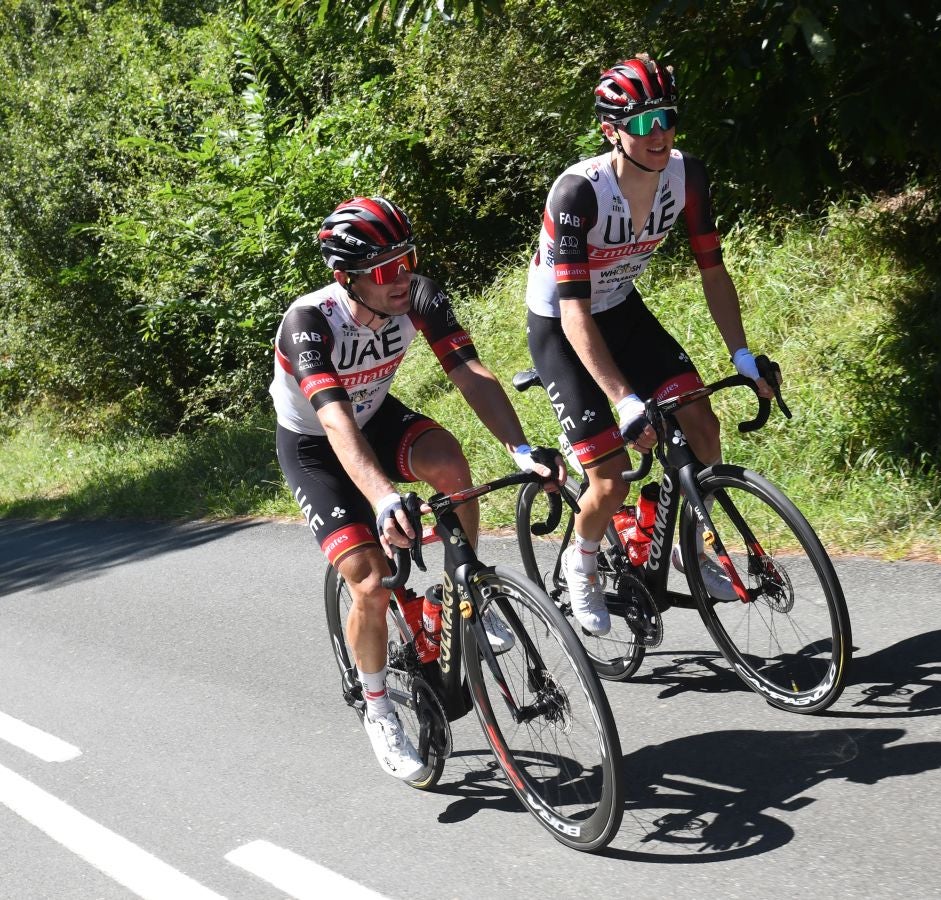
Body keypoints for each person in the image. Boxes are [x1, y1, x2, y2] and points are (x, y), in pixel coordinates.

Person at [272, 195, 563, 780]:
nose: (400, 277)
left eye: (406, 259)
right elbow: (333, 422)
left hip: (376, 416)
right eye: (383, 270)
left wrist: (522, 448)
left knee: (452, 464)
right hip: (316, 444)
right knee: (373, 582)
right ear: (346, 278)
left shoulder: (419, 296)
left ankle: (466, 588)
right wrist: (382, 497)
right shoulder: (310, 323)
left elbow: (469, 373)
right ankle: (378, 706)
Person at [524, 54, 778, 636]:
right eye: (643, 123)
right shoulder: (578, 195)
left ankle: (690, 543)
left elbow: (713, 271)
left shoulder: (688, 176)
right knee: (610, 477)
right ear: (613, 130)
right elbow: (573, 311)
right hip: (564, 325)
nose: (659, 132)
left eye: (666, 117)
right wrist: (622, 398)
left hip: (622, 310)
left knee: (700, 420)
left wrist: (742, 355)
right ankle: (581, 563)